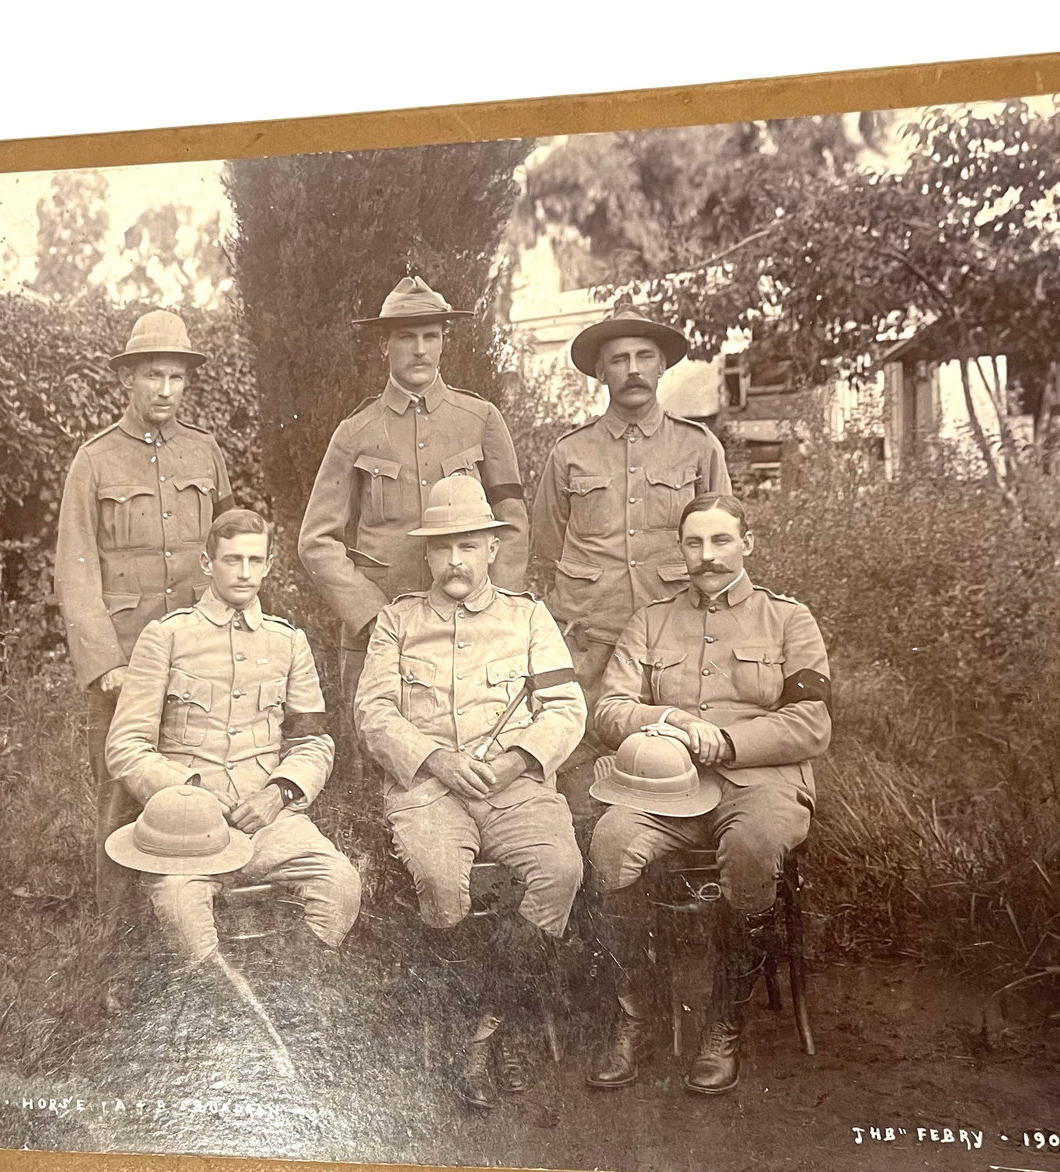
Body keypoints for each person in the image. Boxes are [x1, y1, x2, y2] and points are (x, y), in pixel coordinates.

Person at [585, 493, 831, 1095]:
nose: (707, 555)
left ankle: (725, 1021)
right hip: (663, 784)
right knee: (609, 845)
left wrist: (724, 739)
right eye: (694, 543)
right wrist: (668, 719)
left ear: (747, 543)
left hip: (760, 781)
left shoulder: (788, 619)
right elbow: (608, 711)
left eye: (721, 541)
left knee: (753, 846)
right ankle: (637, 1015)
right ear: (681, 549)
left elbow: (812, 724)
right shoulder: (651, 620)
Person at [354, 476, 584, 1110]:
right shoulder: (397, 622)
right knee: (441, 883)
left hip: (514, 788)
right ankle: (467, 1027)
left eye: (468, 546)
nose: (455, 561)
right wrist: (434, 759)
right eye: (442, 548)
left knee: (559, 871)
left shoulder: (529, 616)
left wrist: (515, 762)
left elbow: (565, 708)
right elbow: (373, 713)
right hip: (429, 789)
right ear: (427, 555)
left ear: (491, 548)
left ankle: (491, 1031)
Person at [104, 509, 361, 971]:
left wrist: (278, 793)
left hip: (268, 821)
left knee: (341, 883)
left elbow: (312, 741)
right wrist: (189, 794)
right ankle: (214, 1000)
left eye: (254, 561)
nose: (244, 573)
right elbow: (126, 746)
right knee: (182, 910)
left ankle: (294, 984)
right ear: (207, 563)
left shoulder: (288, 642)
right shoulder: (167, 636)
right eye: (231, 560)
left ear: (267, 565)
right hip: (185, 828)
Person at [55, 310, 235, 920]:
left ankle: (190, 918)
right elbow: (75, 571)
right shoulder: (95, 461)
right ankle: (114, 934)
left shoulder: (206, 454)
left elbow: (229, 545)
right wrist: (105, 663)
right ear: (128, 379)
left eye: (176, 377)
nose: (165, 390)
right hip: (128, 655)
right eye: (153, 375)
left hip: (196, 648)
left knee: (198, 778)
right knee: (121, 794)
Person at [530, 302, 731, 828]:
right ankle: (589, 875)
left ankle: (672, 866)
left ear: (663, 366)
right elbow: (547, 543)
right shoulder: (570, 453)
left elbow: (720, 545)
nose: (634, 369)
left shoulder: (697, 446)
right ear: (601, 372)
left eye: (646, 356)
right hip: (592, 638)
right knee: (579, 762)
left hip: (674, 636)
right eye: (619, 359)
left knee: (676, 756)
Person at [299, 276, 530, 714]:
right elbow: (316, 541)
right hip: (385, 628)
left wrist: (494, 604)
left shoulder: (480, 419)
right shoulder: (355, 432)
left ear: (444, 342)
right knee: (381, 754)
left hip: (471, 622)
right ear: (384, 345)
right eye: (406, 337)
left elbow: (513, 522)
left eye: (431, 336)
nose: (420, 349)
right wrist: (372, 615)